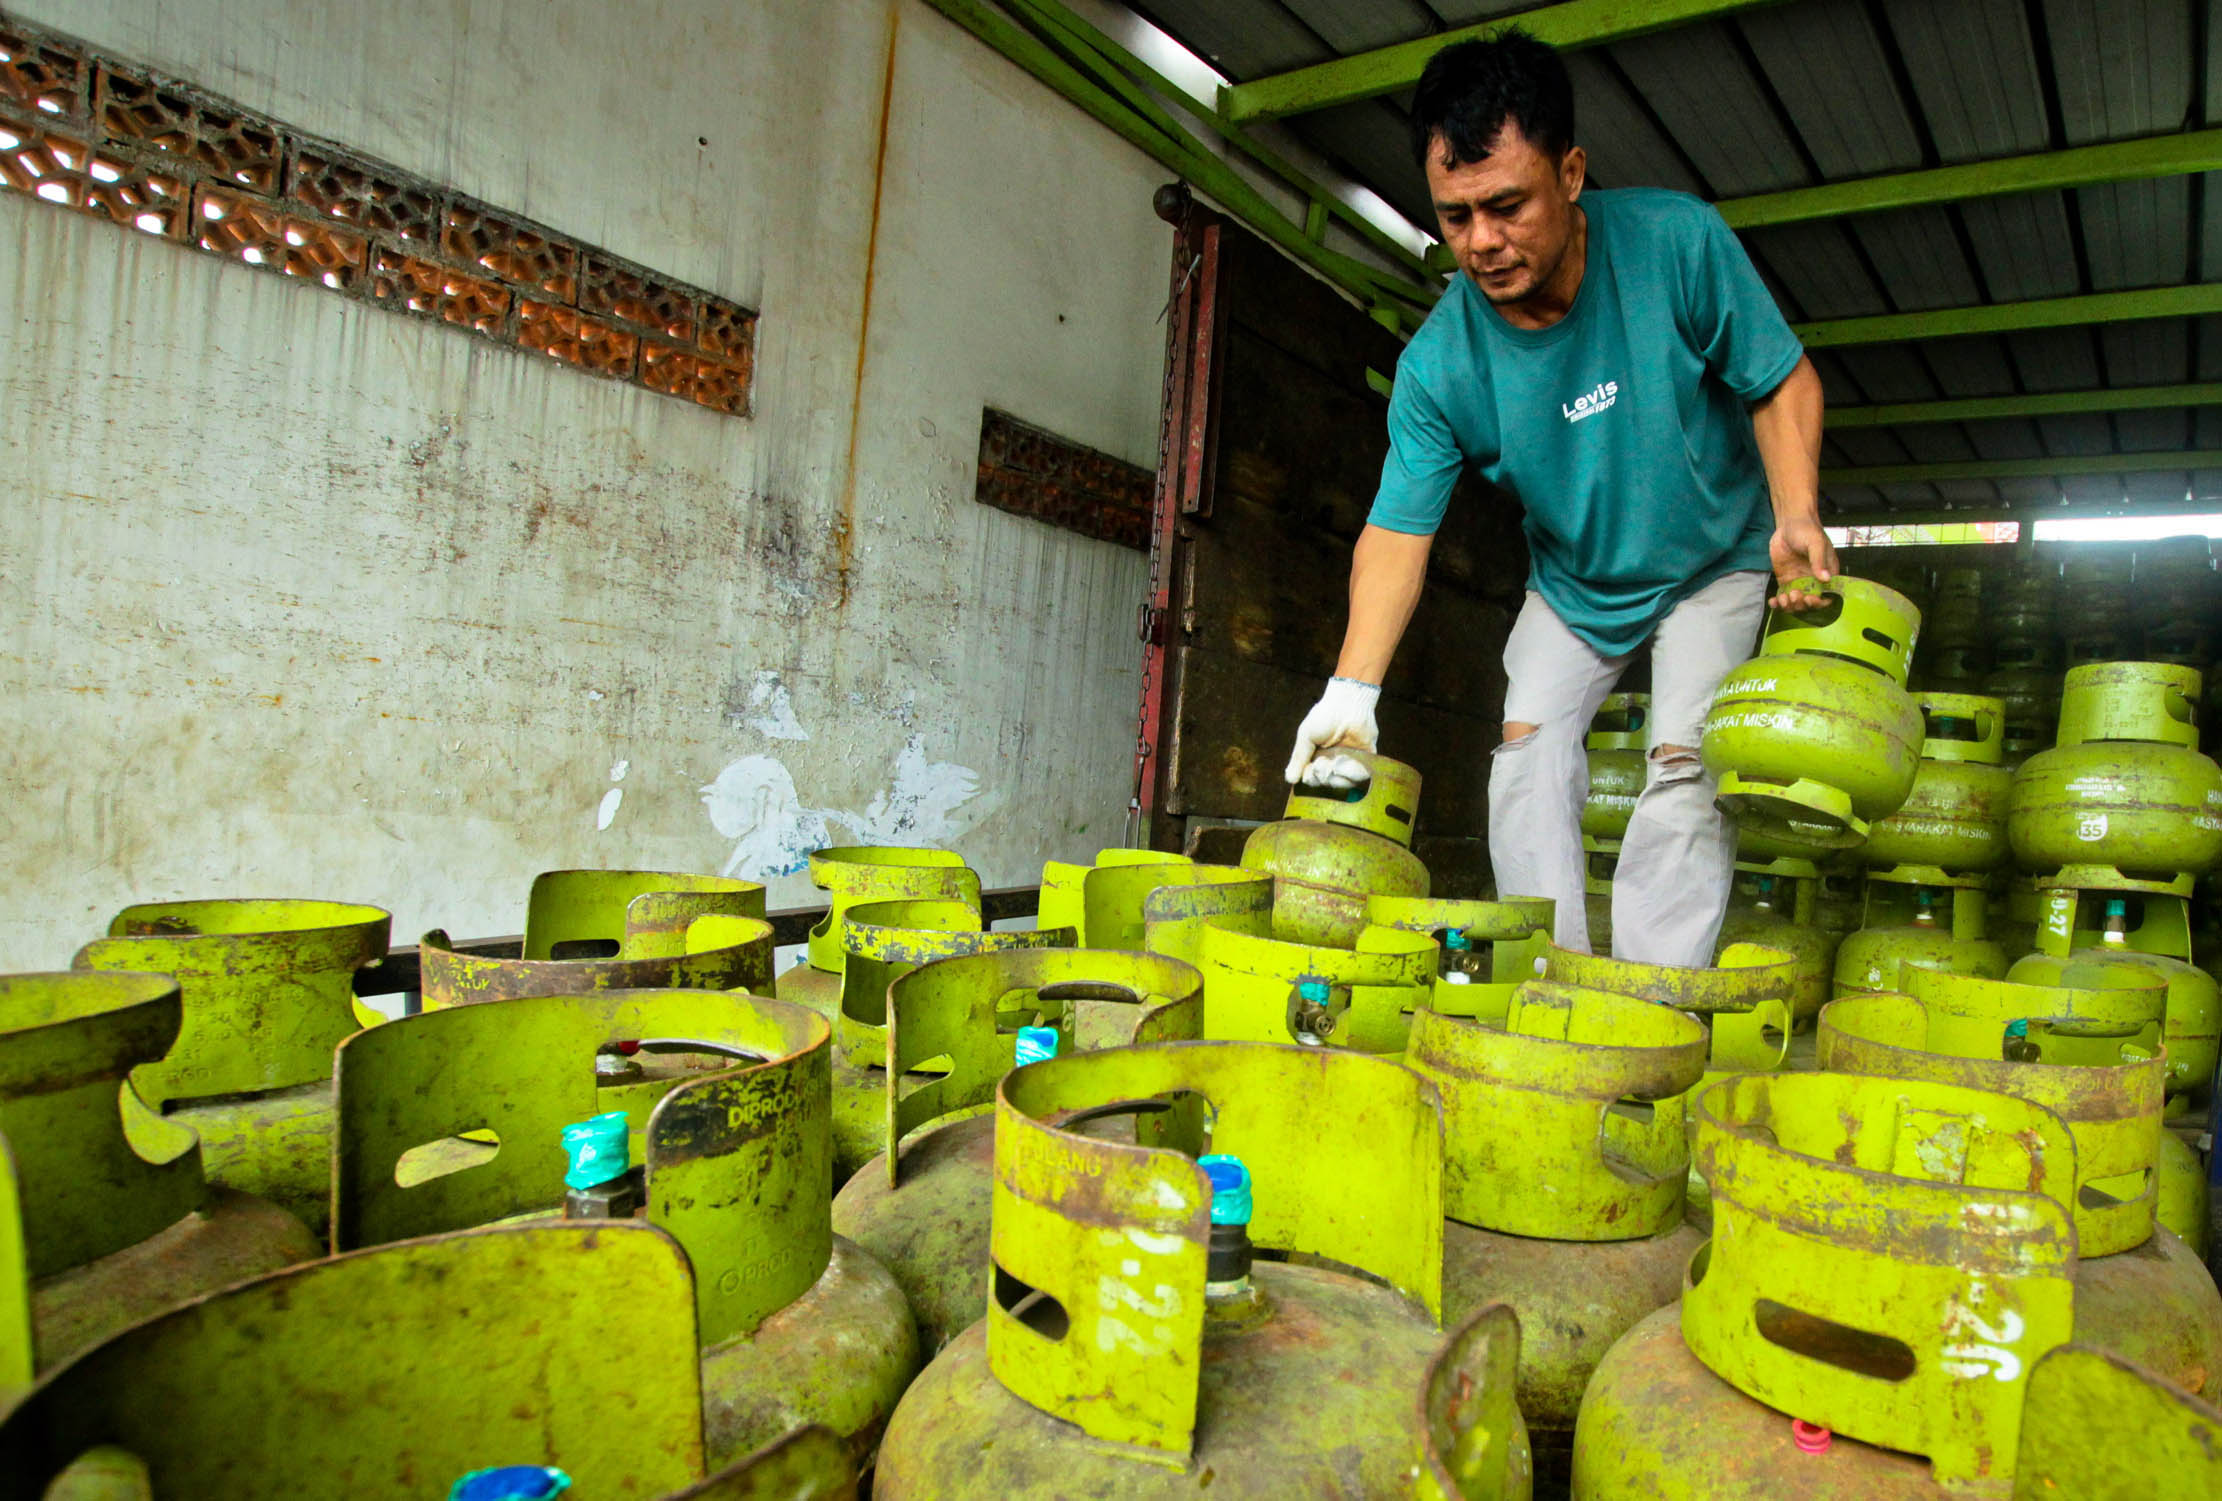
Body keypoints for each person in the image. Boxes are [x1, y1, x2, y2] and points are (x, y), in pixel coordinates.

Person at [1282, 29, 1834, 967]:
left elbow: (1779, 382)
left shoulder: (1677, 244)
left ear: (1571, 174)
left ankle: (1654, 997)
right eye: (1455, 219)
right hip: (1579, 580)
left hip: (1714, 557)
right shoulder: (1439, 367)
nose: (1483, 242)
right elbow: (1397, 530)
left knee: (1684, 758)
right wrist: (1350, 689)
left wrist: (1795, 516)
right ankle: (1554, 978)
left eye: (1507, 205)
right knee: (1527, 747)